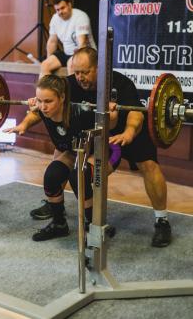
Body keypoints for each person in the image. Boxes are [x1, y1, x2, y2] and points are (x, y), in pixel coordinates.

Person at [22, 47, 171, 248]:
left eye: (85, 72)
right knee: (60, 162)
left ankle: (161, 220)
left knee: (149, 165)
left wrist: (128, 133)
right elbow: (45, 105)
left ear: (99, 68)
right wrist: (35, 105)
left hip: (124, 130)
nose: (80, 77)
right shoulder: (69, 85)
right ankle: (56, 208)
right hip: (93, 135)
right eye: (77, 72)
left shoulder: (120, 83)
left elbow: (136, 114)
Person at [6, 74, 121, 241]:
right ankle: (59, 224)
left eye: (48, 101)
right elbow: (35, 114)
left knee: (78, 176)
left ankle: (95, 226)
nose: (43, 106)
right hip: (76, 150)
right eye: (40, 100)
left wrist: (113, 113)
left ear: (62, 98)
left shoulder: (81, 112)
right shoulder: (44, 110)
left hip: (104, 149)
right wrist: (23, 124)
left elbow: (110, 125)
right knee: (52, 176)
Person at [40, 0, 96, 77]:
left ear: (69, 5)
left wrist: (75, 60)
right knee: (45, 65)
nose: (60, 12)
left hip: (86, 53)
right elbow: (52, 42)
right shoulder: (55, 19)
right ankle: (46, 89)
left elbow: (82, 43)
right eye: (57, 10)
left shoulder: (80, 17)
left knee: (71, 64)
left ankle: (72, 90)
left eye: (62, 8)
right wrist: (49, 59)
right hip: (67, 53)